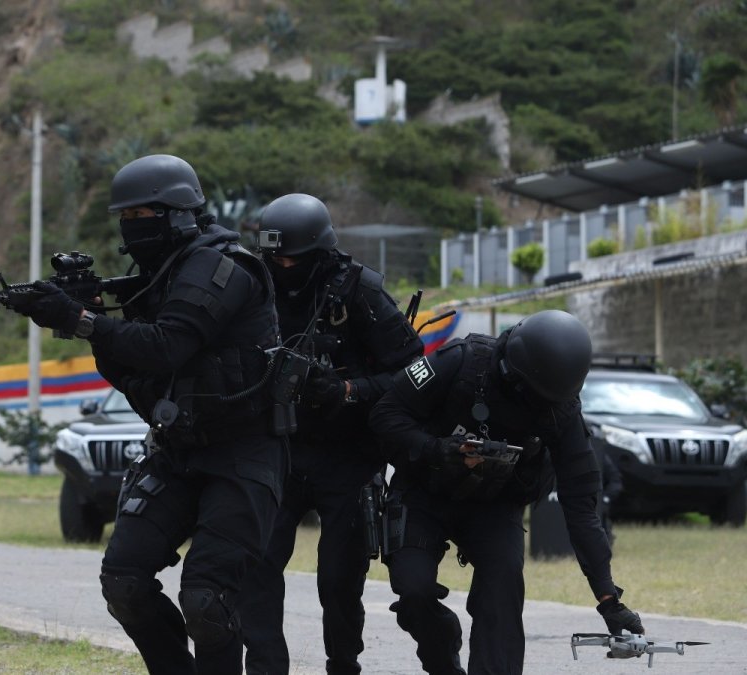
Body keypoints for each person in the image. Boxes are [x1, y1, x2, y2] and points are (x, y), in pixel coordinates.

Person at [7, 154, 286, 674]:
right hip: (178, 452)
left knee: (206, 600)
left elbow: (167, 346)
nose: (131, 227)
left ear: (178, 212)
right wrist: (90, 318)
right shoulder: (157, 276)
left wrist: (83, 320)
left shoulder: (220, 266)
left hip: (242, 453)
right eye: (125, 217)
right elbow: (134, 371)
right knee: (124, 582)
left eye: (142, 215)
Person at [369, 309, 645, 674]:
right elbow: (385, 414)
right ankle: (443, 649)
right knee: (414, 592)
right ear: (513, 374)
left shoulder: (562, 410)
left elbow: (581, 504)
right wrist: (436, 449)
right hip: (425, 490)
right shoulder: (460, 360)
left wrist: (608, 598)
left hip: (496, 505)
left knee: (502, 591)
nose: (542, 406)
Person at [239, 193, 423, 675]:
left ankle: (344, 664)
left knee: (339, 579)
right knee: (256, 564)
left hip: (349, 456)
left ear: (318, 252)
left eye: (290, 259)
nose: (280, 267)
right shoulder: (256, 284)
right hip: (279, 450)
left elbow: (414, 373)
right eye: (272, 258)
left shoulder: (359, 291)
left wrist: (348, 390)